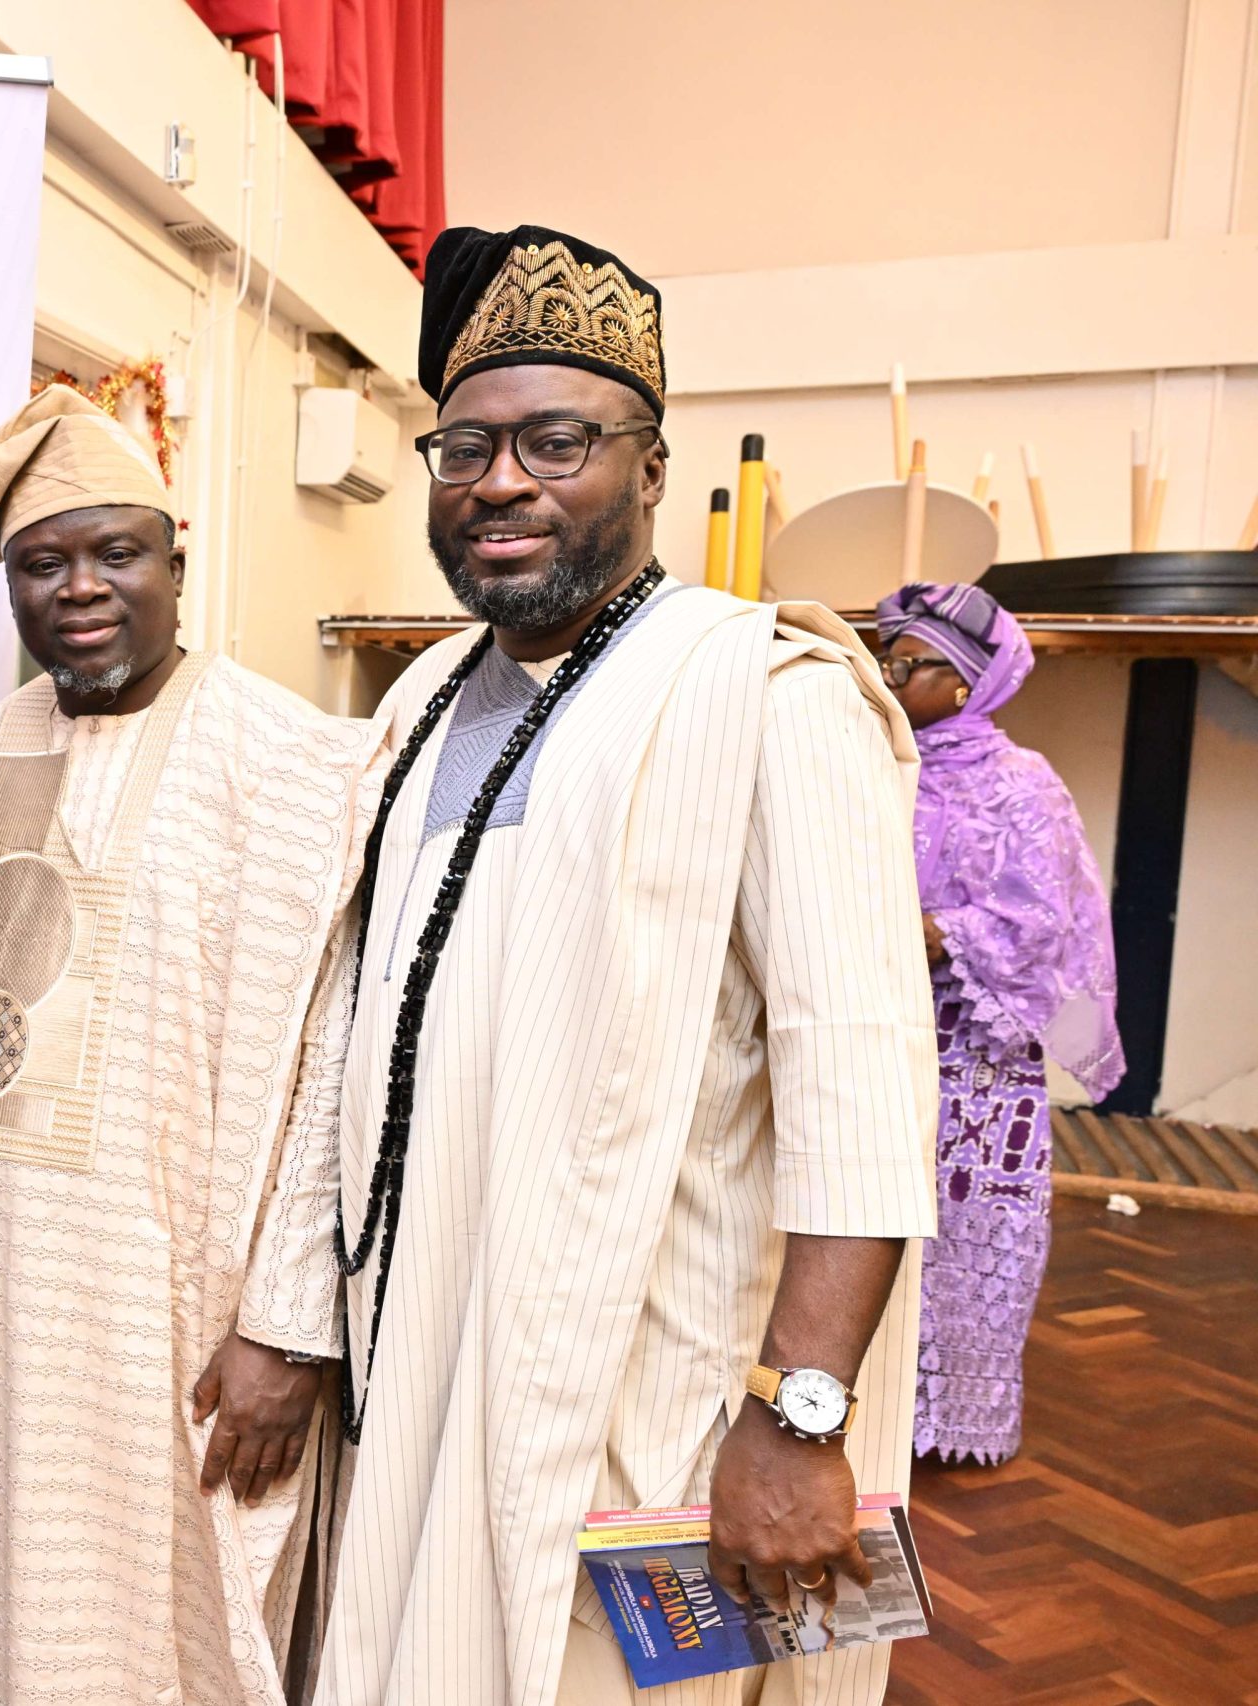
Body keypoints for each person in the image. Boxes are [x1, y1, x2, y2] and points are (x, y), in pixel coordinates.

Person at [314, 225, 939, 1706]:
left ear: (652, 469)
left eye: (557, 441)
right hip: (419, 1367)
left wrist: (796, 1420)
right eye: (466, 447)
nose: (502, 481)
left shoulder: (770, 691)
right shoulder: (418, 699)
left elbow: (860, 1090)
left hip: (643, 1401)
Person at [0, 386, 384, 1704]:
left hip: (196, 1320)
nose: (81, 588)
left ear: (176, 553)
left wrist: (287, 1330)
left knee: (174, 1641)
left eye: (115, 551)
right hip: (14, 1313)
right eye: (41, 563)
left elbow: (333, 1067)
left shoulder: (295, 761)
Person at [877, 581, 1122, 1465]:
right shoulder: (871, 766)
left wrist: (936, 932)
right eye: (885, 658)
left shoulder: (1023, 785)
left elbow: (1042, 922)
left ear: (968, 682)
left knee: (965, 1227)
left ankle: (951, 1424)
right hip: (878, 1029)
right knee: (865, 1212)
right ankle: (858, 1411)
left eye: (909, 663)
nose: (888, 675)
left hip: (975, 1052)